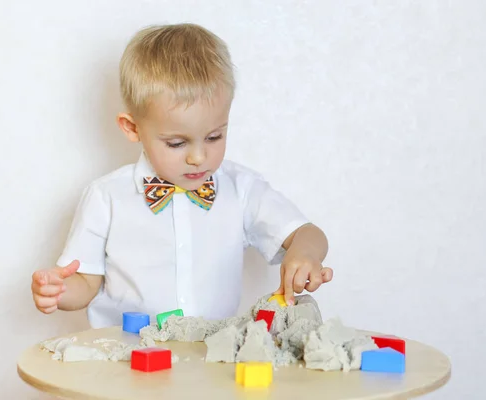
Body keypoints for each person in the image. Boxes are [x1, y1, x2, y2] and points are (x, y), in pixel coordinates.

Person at [30, 23, 333, 328]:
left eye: (214, 137)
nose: (198, 157)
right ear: (132, 128)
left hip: (210, 360)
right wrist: (58, 290)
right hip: (125, 361)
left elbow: (308, 233)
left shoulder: (241, 189)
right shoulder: (106, 197)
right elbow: (85, 282)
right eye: (177, 143)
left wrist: (305, 254)